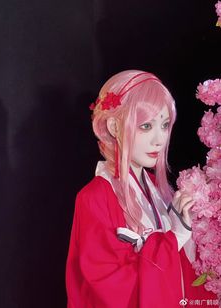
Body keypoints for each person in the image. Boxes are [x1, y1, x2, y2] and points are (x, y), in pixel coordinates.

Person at [66, 70, 217, 307]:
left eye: (165, 125)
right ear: (114, 127)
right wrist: (173, 239)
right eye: (146, 126)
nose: (159, 139)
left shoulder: (159, 190)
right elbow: (110, 289)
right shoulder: (94, 198)